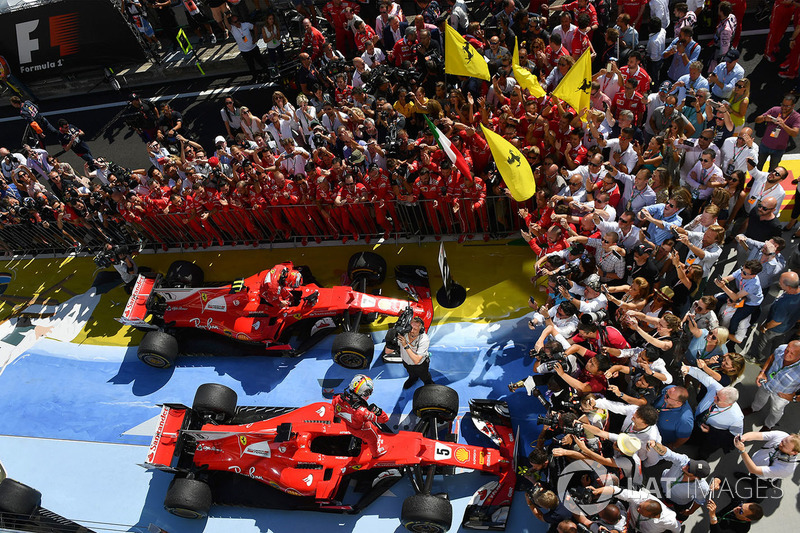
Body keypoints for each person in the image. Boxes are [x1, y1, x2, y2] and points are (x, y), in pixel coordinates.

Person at [742, 341, 800, 431]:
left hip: (782, 395)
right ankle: (755, 408)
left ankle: (769, 425)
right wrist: (763, 372)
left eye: (792, 353)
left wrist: (793, 398)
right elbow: (772, 357)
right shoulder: (781, 349)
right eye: (787, 350)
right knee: (760, 397)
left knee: (776, 410)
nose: (786, 354)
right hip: (767, 383)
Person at [649, 440, 710, 520]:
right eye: (689, 464)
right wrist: (655, 445)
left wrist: (690, 511)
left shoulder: (702, 488)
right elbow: (668, 453)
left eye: (689, 469)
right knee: (665, 498)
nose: (685, 467)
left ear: (696, 477)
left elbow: (699, 501)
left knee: (680, 516)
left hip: (680, 503)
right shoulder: (683, 461)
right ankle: (667, 503)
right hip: (664, 488)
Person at [331, 374, 390, 456]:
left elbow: (335, 411)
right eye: (368, 392)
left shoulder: (338, 398)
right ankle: (376, 453)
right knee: (373, 438)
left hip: (349, 426)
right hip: (361, 428)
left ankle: (364, 440)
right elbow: (384, 420)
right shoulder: (363, 412)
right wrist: (378, 411)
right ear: (364, 393)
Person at [748, 272, 800, 362]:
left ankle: (760, 358)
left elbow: (777, 321)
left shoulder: (784, 304)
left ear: (789, 287)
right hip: (788, 326)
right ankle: (773, 357)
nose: (779, 283)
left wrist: (765, 327)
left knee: (764, 342)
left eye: (781, 282)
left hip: (776, 328)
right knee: (777, 342)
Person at [383, 316, 433, 389]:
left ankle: (428, 384)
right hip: (406, 362)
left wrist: (405, 345)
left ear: (420, 330)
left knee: (425, 376)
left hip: (421, 365)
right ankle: (413, 378)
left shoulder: (424, 339)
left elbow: (416, 360)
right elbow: (388, 351)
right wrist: (389, 341)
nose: (411, 330)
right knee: (411, 374)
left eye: (415, 329)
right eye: (410, 327)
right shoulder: (403, 334)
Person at [754, 94, 800, 171]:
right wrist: (764, 118)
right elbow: (757, 120)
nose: (784, 108)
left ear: (793, 106)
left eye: (787, 106)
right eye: (783, 105)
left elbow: (795, 133)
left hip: (779, 149)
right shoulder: (775, 110)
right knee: (758, 167)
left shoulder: (796, 117)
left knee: (772, 170)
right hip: (765, 145)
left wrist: (783, 125)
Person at [228, 13, 267, 81]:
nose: (238, 22)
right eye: (235, 22)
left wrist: (255, 37)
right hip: (245, 51)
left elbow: (254, 27)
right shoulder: (232, 29)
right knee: (251, 65)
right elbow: (226, 24)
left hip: (253, 48)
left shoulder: (245, 24)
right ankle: (255, 77)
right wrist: (225, 16)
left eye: (238, 20)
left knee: (261, 62)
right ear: (232, 23)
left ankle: (267, 73)